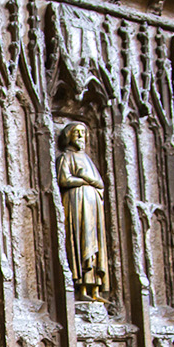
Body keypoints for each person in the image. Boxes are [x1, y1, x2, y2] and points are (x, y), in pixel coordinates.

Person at [57, 121, 108, 301]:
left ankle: (95, 289)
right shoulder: (66, 157)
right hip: (76, 204)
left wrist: (85, 178)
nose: (80, 136)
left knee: (94, 245)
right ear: (68, 136)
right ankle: (82, 290)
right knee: (81, 243)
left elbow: (100, 184)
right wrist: (85, 181)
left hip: (92, 207)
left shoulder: (87, 159)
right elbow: (64, 179)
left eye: (83, 133)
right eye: (76, 132)